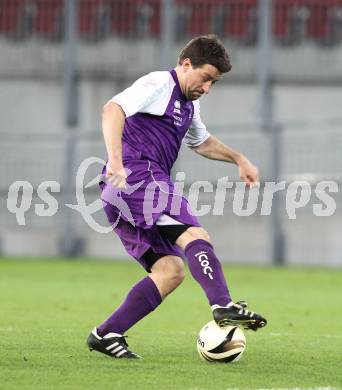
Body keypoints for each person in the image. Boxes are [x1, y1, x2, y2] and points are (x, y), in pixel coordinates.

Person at [87, 35, 267, 359]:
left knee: (171, 271)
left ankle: (106, 333)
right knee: (196, 235)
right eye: (206, 78)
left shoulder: (189, 105)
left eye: (214, 82)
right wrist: (115, 159)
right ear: (186, 65)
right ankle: (223, 306)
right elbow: (112, 109)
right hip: (139, 177)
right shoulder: (159, 83)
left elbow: (201, 142)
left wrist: (239, 159)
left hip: (123, 191)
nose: (208, 88)